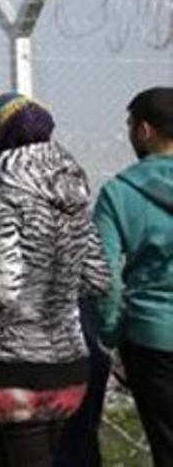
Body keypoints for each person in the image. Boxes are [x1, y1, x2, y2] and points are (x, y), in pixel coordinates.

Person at [0, 92, 109, 467]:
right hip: (71, 366)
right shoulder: (73, 189)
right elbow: (96, 277)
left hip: (13, 367)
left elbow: (2, 287)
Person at [93, 86, 173, 467]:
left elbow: (103, 276)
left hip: (151, 338)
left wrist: (111, 332)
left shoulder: (118, 192)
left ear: (145, 130)